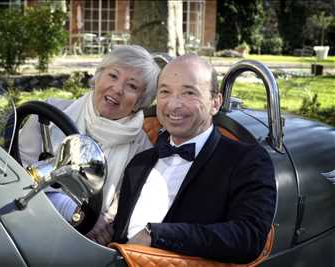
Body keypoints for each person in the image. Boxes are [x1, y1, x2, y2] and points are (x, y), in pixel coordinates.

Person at [112, 54, 277, 263]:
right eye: (165, 92)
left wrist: (157, 235)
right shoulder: (140, 162)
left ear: (215, 103)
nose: (173, 105)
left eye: (189, 93)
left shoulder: (246, 160)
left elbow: (249, 237)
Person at [19, 45, 160, 245]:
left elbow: (123, 210)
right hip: (26, 221)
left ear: (140, 102)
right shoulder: (46, 115)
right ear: (98, 77)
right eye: (113, 76)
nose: (117, 89)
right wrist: (70, 209)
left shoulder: (143, 150)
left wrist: (100, 223)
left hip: (86, 243)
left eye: (132, 86)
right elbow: (17, 172)